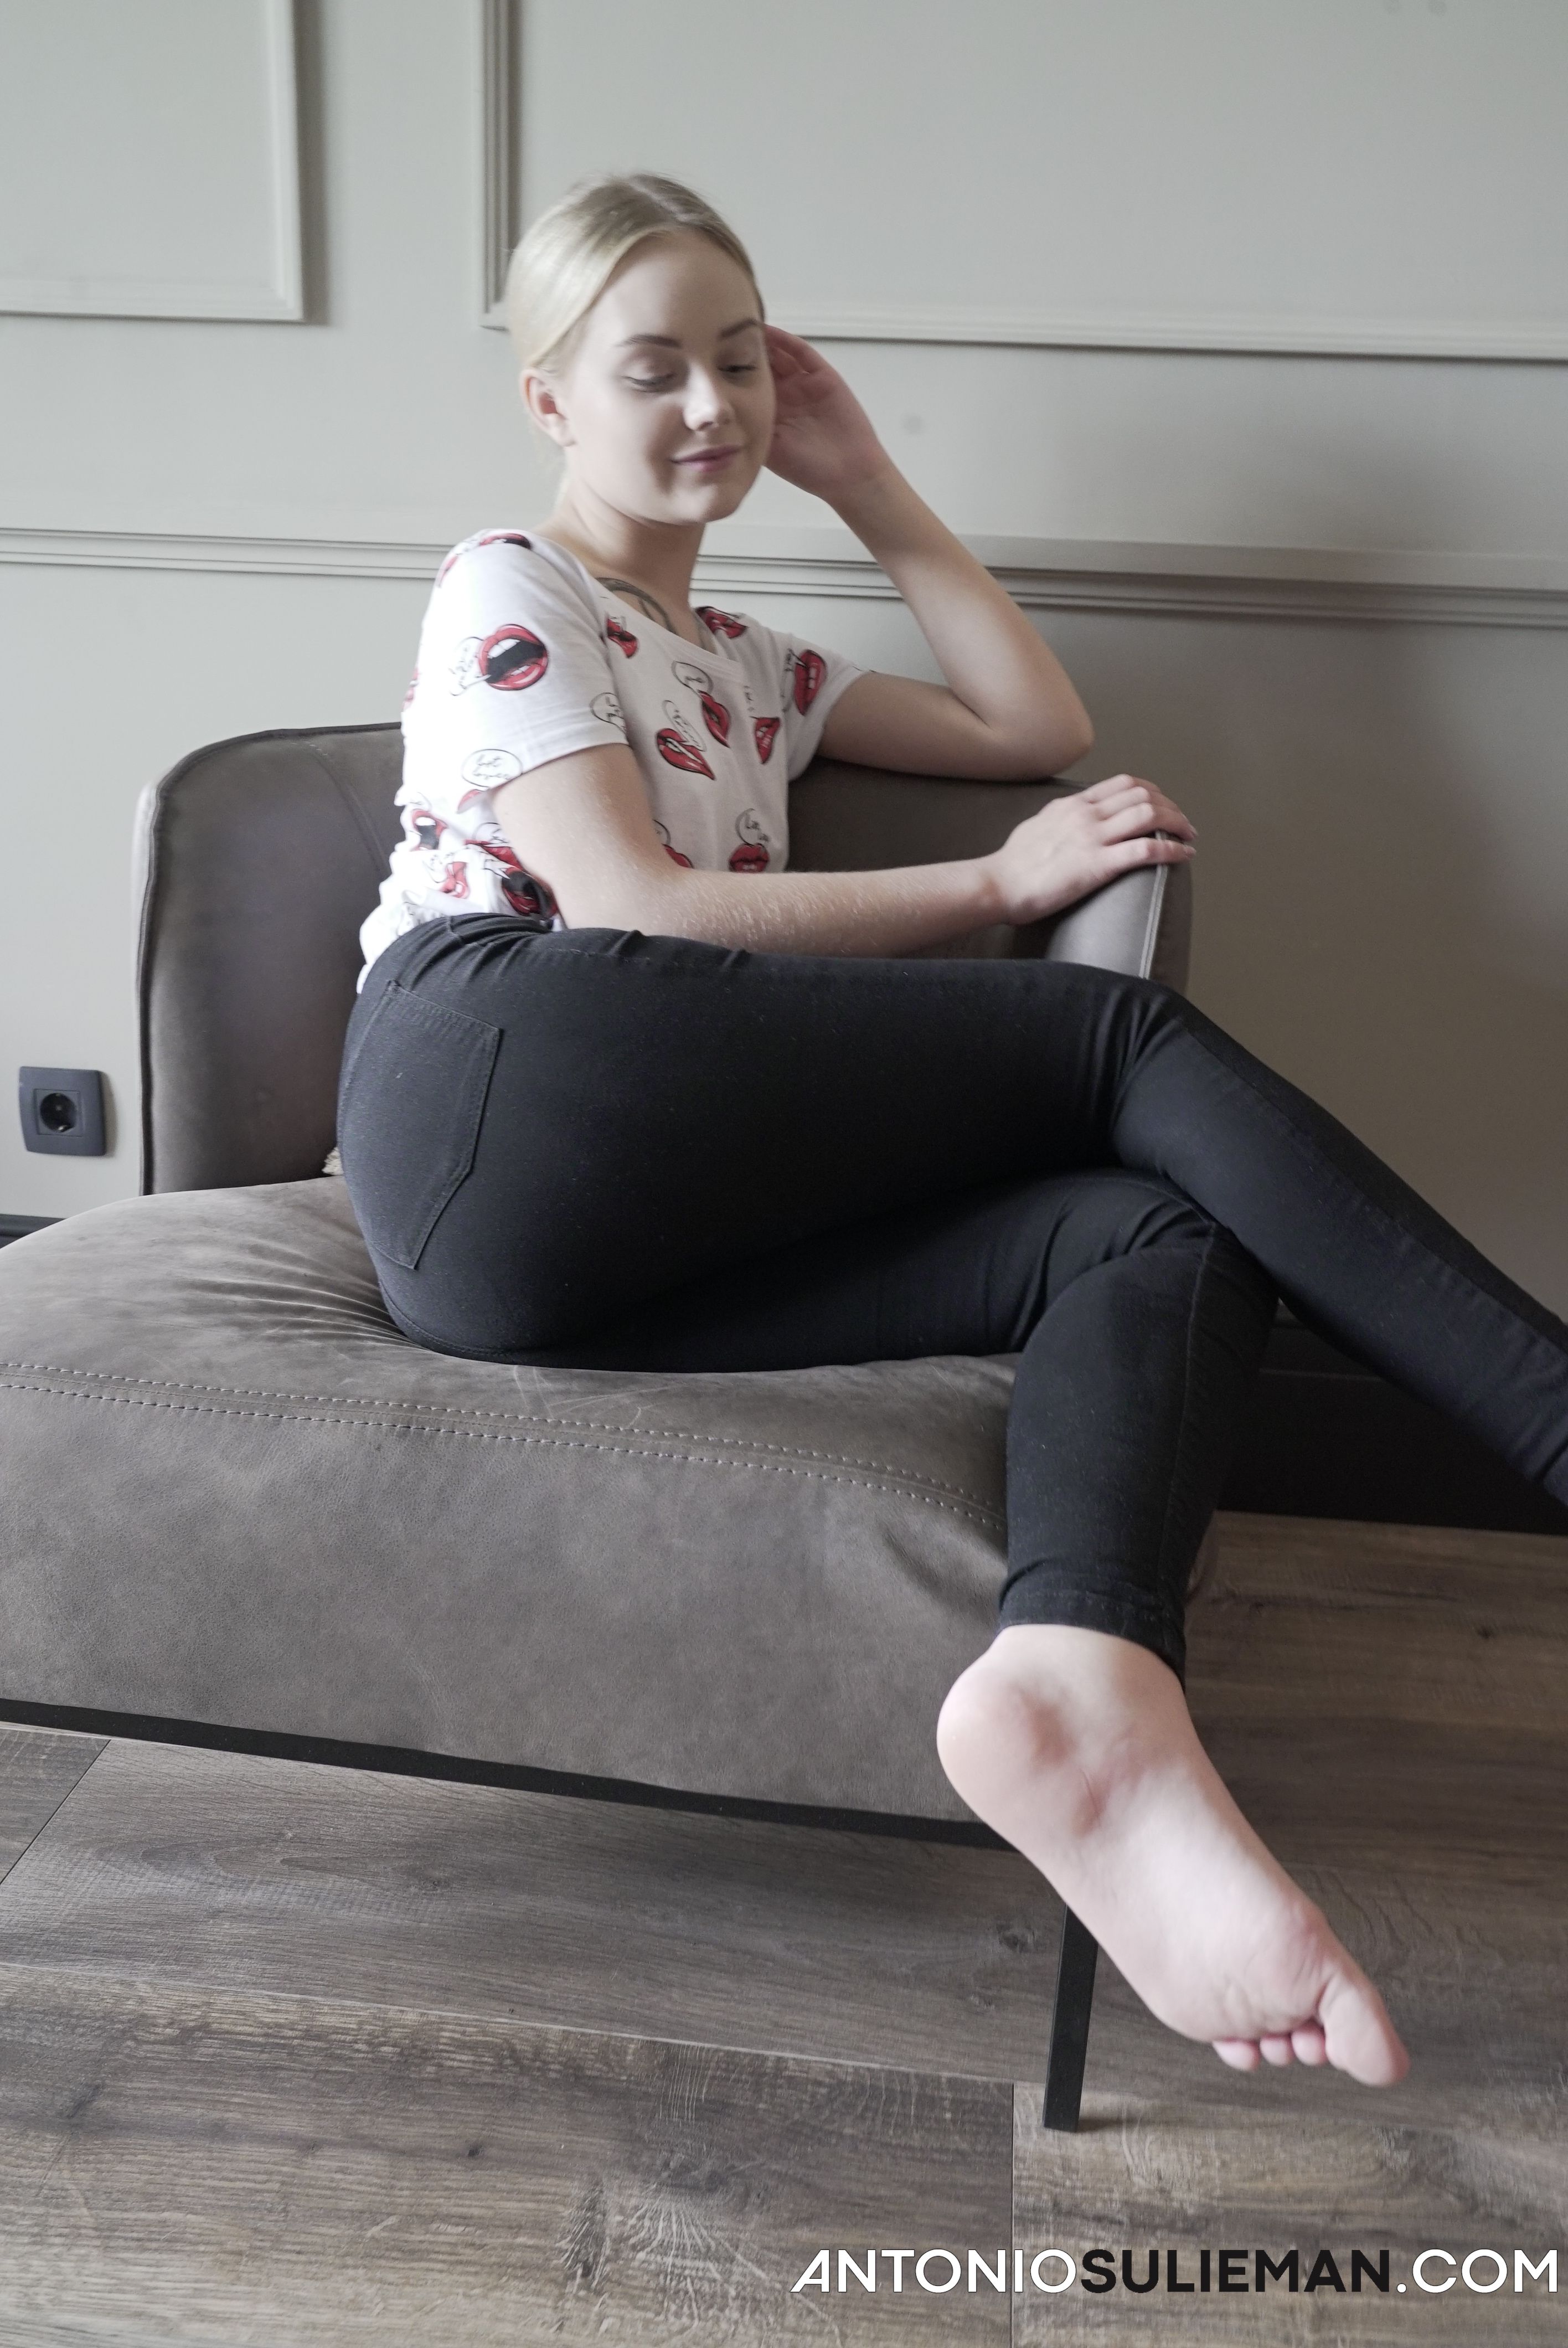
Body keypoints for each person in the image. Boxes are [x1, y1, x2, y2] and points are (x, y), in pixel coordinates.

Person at [341, 172, 1568, 2090]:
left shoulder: (750, 665)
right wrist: (998, 888)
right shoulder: (514, 584)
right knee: (1112, 1052)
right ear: (550, 401)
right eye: (652, 370)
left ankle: (1079, 1683)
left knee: (1146, 1231)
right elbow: (631, 911)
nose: (709, 406)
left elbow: (1029, 721)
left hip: (586, 1259)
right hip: (487, 1070)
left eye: (740, 362)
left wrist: (866, 481)